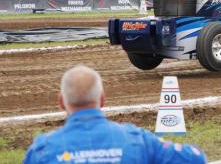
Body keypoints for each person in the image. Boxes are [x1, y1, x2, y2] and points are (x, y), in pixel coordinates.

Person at [24, 65, 206, 164]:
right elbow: (196, 157)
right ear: (102, 100)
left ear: (61, 102)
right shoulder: (136, 139)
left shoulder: (41, 150)